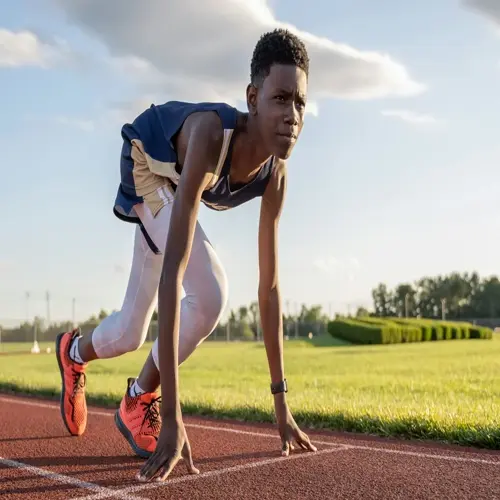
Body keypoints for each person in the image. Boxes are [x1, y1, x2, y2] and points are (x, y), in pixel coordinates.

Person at [55, 27, 317, 482]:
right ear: (252, 97)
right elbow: (174, 271)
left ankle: (73, 352)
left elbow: (270, 288)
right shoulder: (212, 135)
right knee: (211, 294)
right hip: (147, 163)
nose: (292, 115)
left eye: (300, 103)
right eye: (280, 98)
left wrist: (282, 407)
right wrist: (173, 415)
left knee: (130, 333)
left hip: (176, 185)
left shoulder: (276, 175)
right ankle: (141, 402)